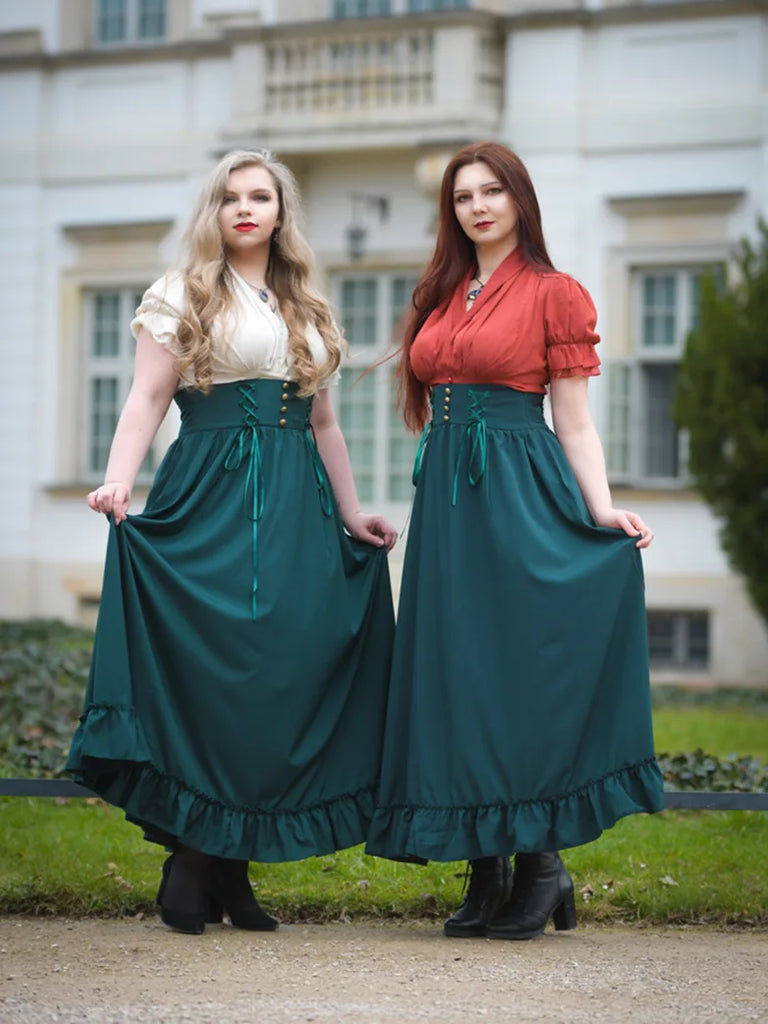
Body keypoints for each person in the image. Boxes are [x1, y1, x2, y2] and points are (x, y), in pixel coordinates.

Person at [67, 149, 398, 935]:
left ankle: (232, 863)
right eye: (230, 198)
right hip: (210, 493)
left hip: (297, 507)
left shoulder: (309, 307)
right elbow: (147, 396)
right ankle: (194, 855)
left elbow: (323, 424)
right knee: (213, 671)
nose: (245, 209)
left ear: (281, 212)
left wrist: (352, 515)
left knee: (278, 673)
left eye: (260, 197)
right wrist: (119, 480)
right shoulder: (179, 293)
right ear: (213, 212)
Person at [365, 142, 664, 940]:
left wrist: (601, 510)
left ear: (520, 199)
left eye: (493, 190)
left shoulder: (555, 294)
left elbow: (573, 420)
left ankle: (541, 862)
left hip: (519, 494)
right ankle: (482, 865)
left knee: (515, 674)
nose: (478, 206)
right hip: (447, 513)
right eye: (463, 196)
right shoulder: (444, 293)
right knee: (456, 675)